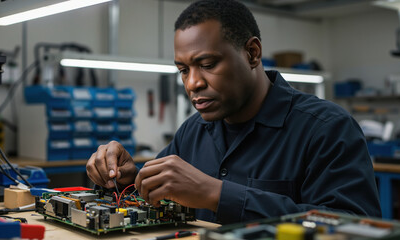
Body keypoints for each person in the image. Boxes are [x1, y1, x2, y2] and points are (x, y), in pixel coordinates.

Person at [86, 0, 381, 224]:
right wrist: (126, 179)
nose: (192, 83)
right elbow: (148, 199)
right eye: (183, 70)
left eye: (208, 64)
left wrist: (217, 194)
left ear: (252, 53)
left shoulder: (327, 129)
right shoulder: (192, 132)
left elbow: (352, 227)